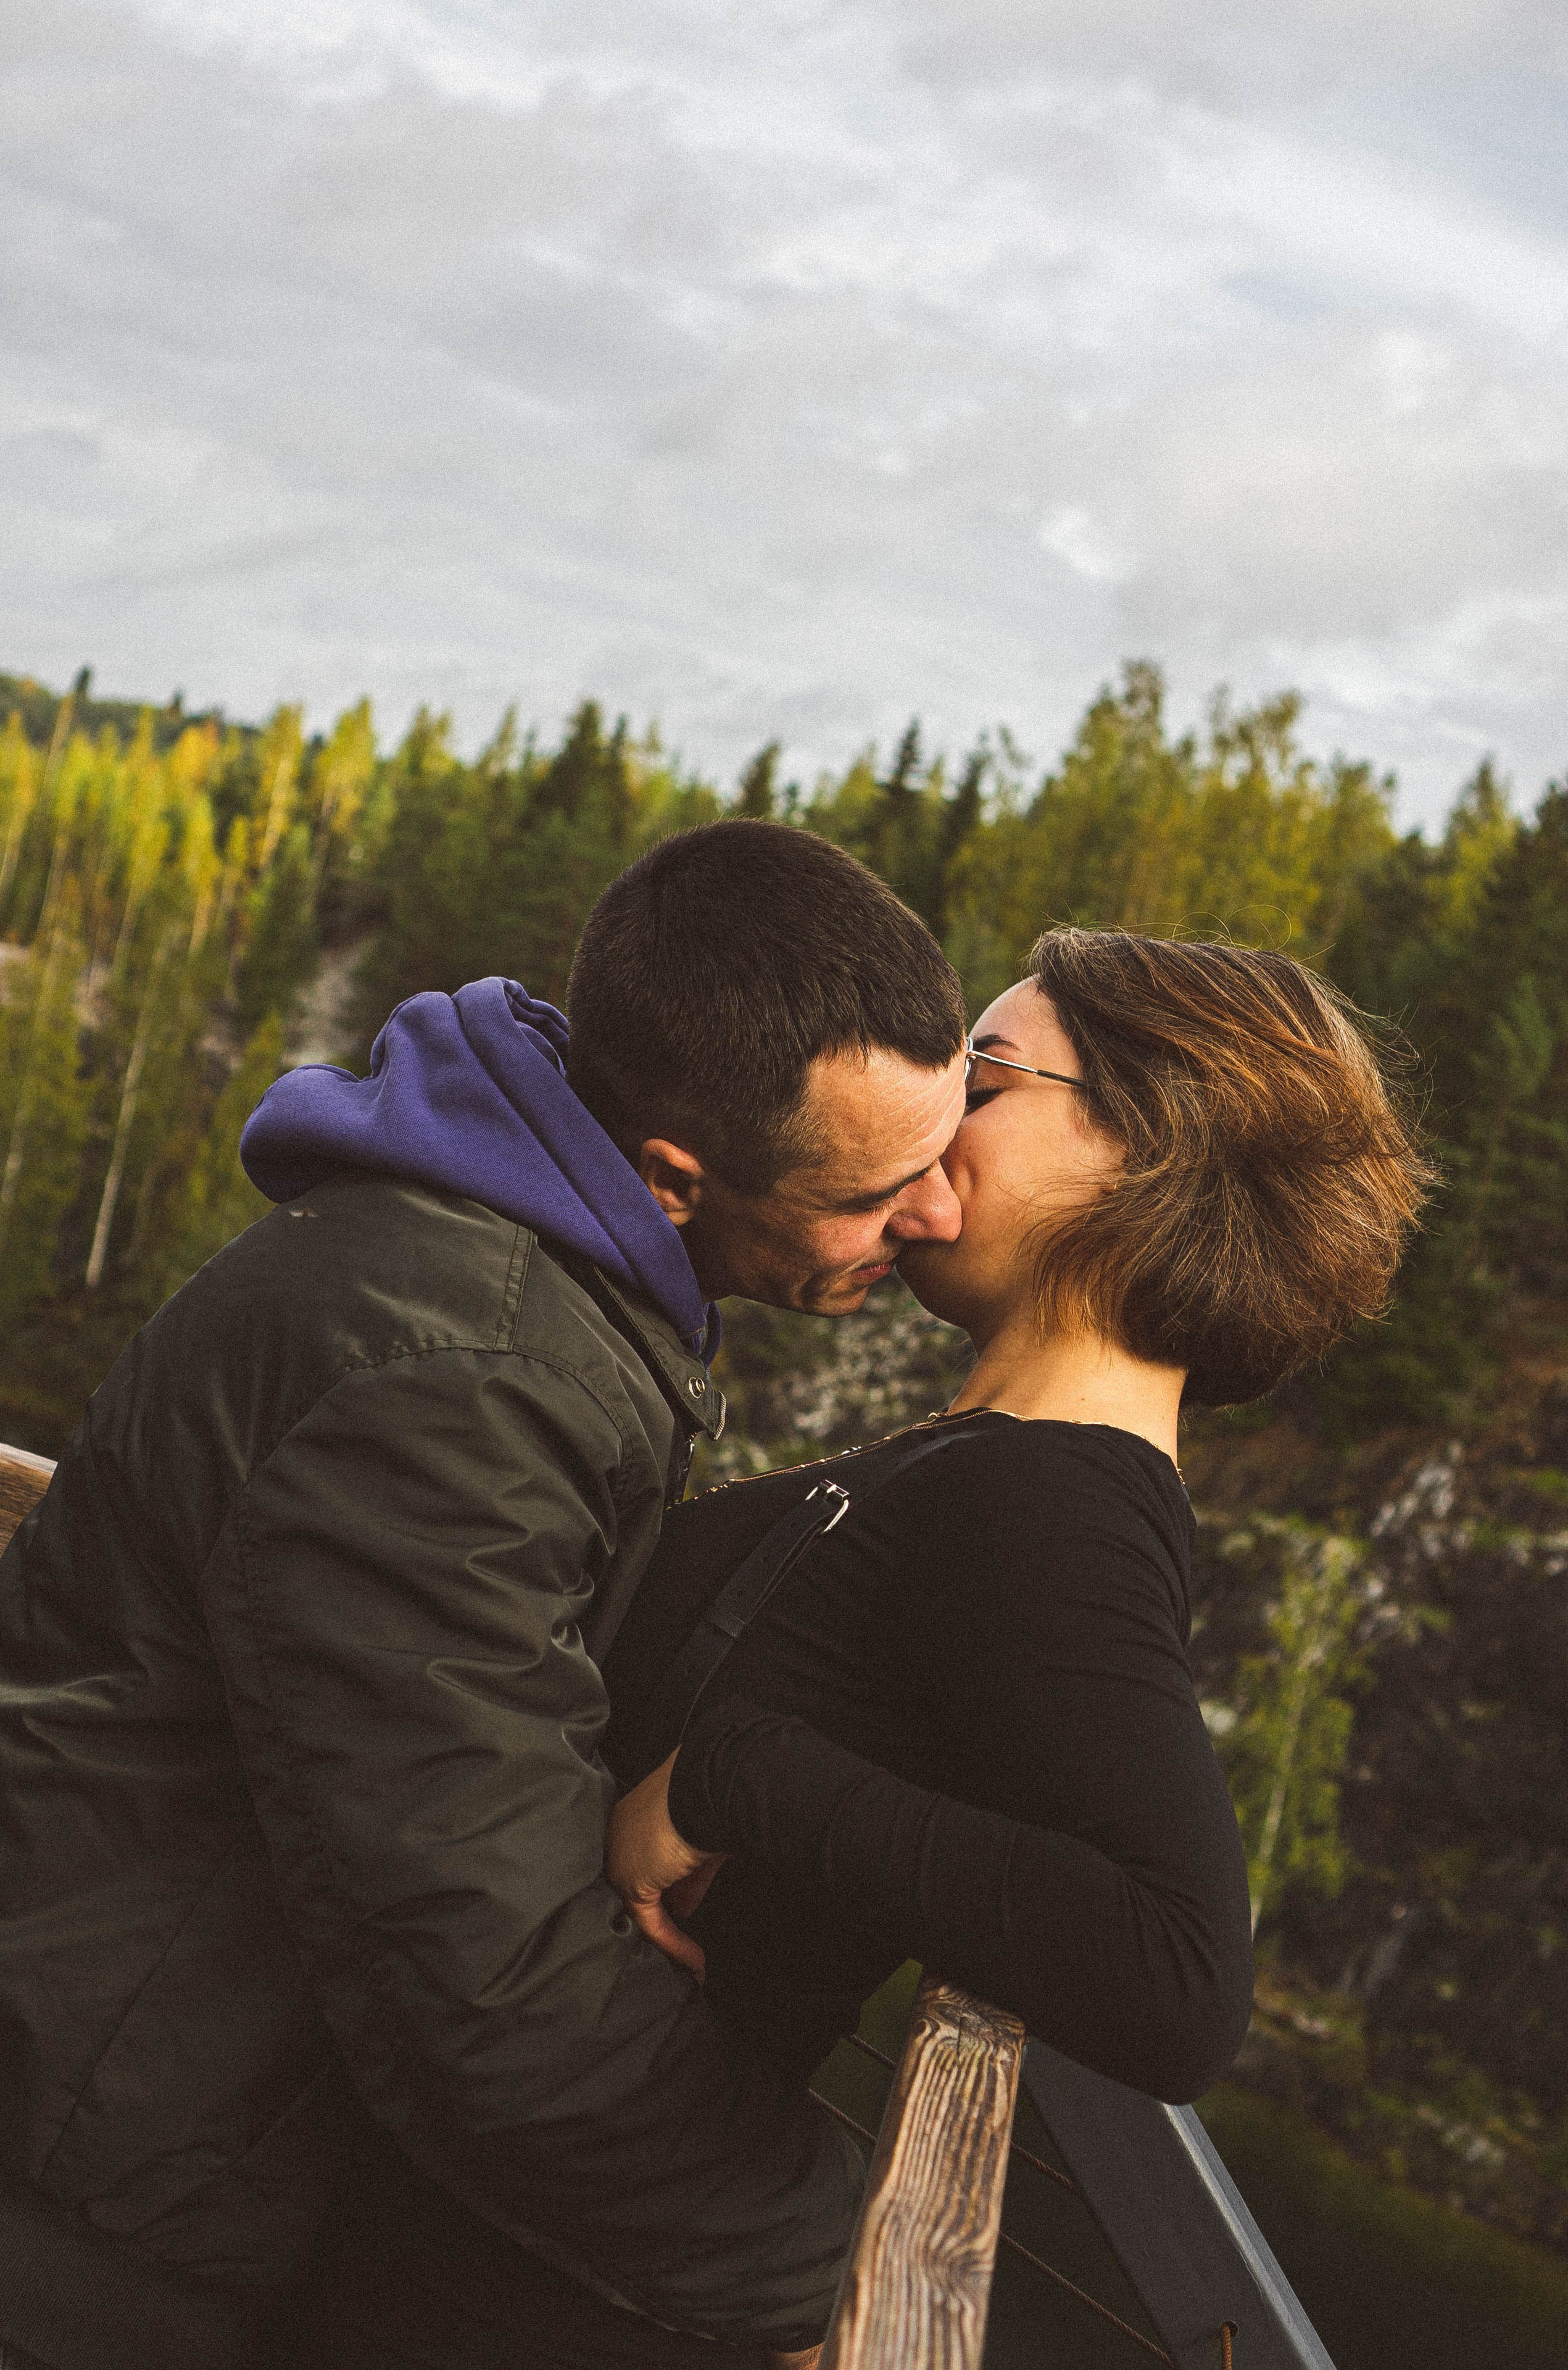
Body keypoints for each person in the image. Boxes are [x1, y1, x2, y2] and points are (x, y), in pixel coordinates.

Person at [0, 820, 968, 2370]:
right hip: (87, 2189)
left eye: (950, 1148)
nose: (935, 1217)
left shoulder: (480, 1278)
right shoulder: (456, 1379)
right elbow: (480, 1964)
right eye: (878, 1189)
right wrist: (829, 2263)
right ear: (671, 1178)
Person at [604, 930, 1433, 2205]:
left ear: (1148, 1150)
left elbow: (1175, 1982)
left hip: (564, 2241)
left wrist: (736, 1777)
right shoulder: (999, 1470)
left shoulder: (1052, 1499)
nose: (929, 1116)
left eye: (980, 1084)